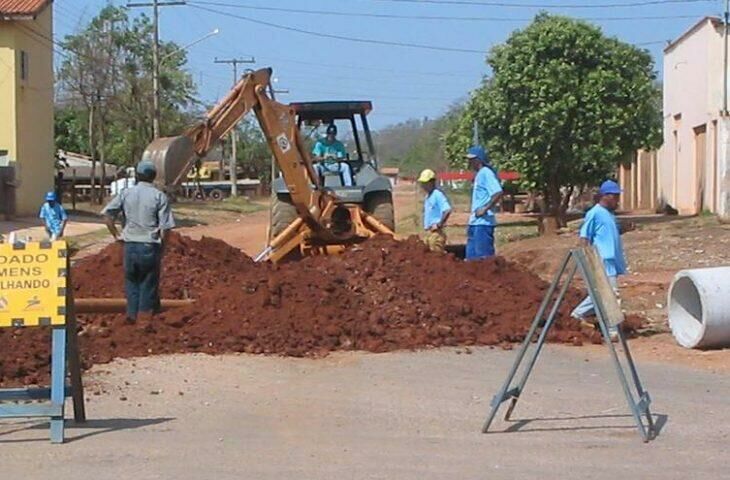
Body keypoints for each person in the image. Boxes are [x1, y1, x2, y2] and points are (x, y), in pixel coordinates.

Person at [101, 160, 175, 327]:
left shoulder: (126, 194)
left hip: (129, 245)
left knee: (131, 282)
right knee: (148, 283)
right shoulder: (159, 196)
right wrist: (163, 247)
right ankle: (144, 321)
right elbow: (166, 227)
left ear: (137, 175)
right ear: (153, 176)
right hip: (149, 245)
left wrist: (117, 236)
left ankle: (132, 316)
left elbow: (107, 216)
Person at [571, 180, 630, 340]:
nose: (617, 200)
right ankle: (612, 330)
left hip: (611, 261)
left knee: (601, 294)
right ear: (606, 196)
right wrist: (588, 260)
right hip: (601, 260)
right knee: (610, 294)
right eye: (615, 197)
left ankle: (577, 315)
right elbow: (584, 237)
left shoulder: (609, 215)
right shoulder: (595, 213)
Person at [465, 146, 503, 260]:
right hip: (474, 222)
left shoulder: (486, 173)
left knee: (484, 260)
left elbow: (498, 192)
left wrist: (485, 208)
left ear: (479, 160)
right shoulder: (478, 175)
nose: (469, 162)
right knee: (471, 260)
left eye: (472, 159)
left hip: (483, 223)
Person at [417, 168, 452, 253]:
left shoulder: (437, 195)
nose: (424, 186)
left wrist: (439, 224)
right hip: (429, 232)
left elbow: (447, 210)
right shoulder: (428, 197)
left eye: (426, 183)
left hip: (437, 233)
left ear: (432, 182)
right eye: (423, 183)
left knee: (435, 253)